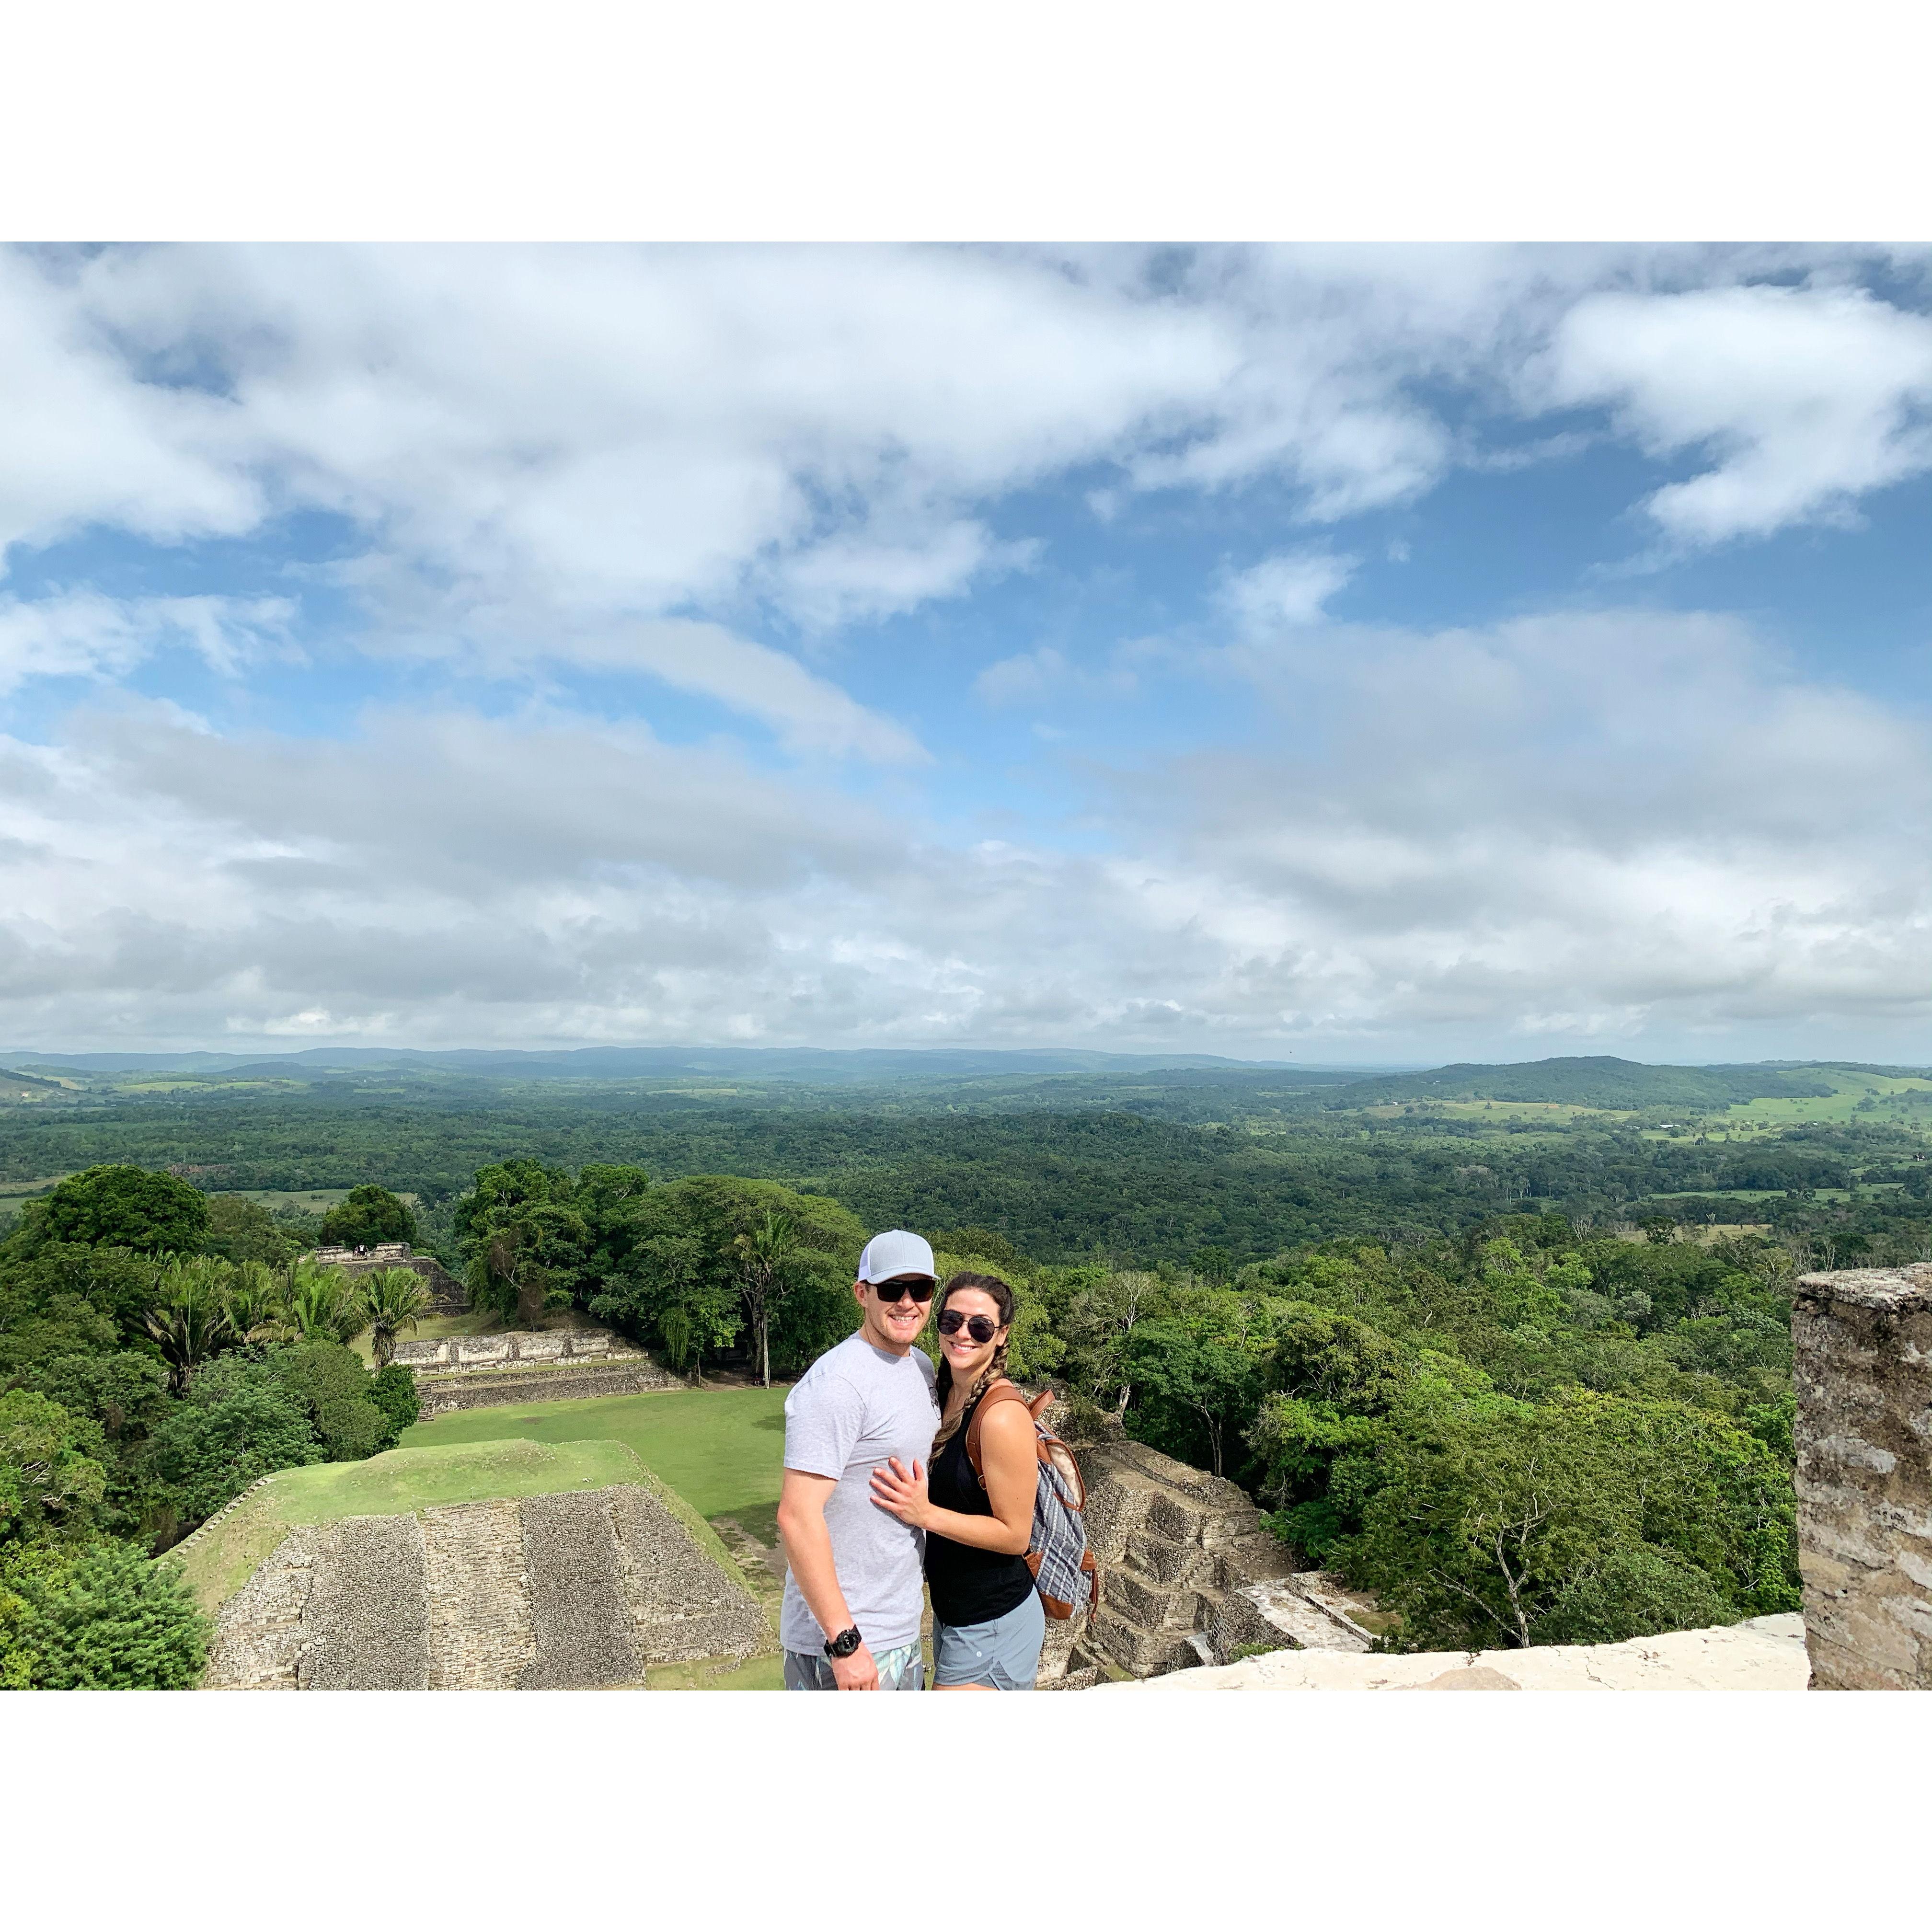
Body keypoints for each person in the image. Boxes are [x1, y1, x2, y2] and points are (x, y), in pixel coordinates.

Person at [775, 1228, 940, 1690]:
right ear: (861, 1294)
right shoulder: (837, 1384)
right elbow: (796, 1515)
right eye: (892, 1289)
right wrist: (845, 1642)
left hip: (900, 1625)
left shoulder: (920, 1366)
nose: (907, 1303)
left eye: (921, 1289)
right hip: (848, 1641)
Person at [869, 1271, 1044, 1691]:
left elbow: (1016, 1535)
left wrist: (925, 1514)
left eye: (980, 1326)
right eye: (952, 1321)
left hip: (994, 1620)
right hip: (954, 1614)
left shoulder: (1000, 1415)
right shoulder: (944, 1389)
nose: (963, 1334)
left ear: (1001, 1336)